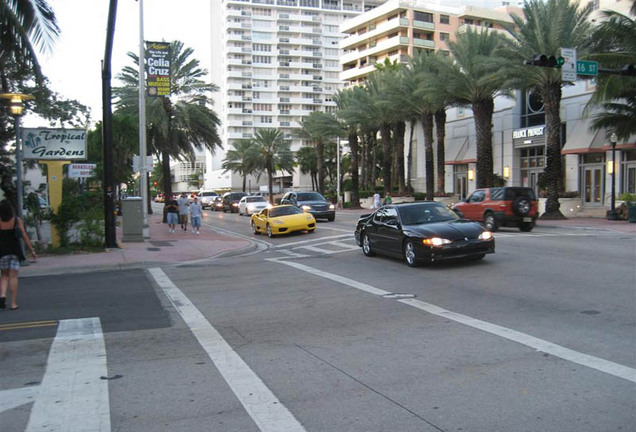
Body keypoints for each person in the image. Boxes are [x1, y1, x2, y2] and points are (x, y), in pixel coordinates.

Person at [0, 200, 37, 310]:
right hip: (15, 251)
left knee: (4, 276)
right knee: (13, 277)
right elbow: (24, 236)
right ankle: (13, 303)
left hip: (2, 252)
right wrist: (31, 250)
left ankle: (2, 295)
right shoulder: (16, 220)